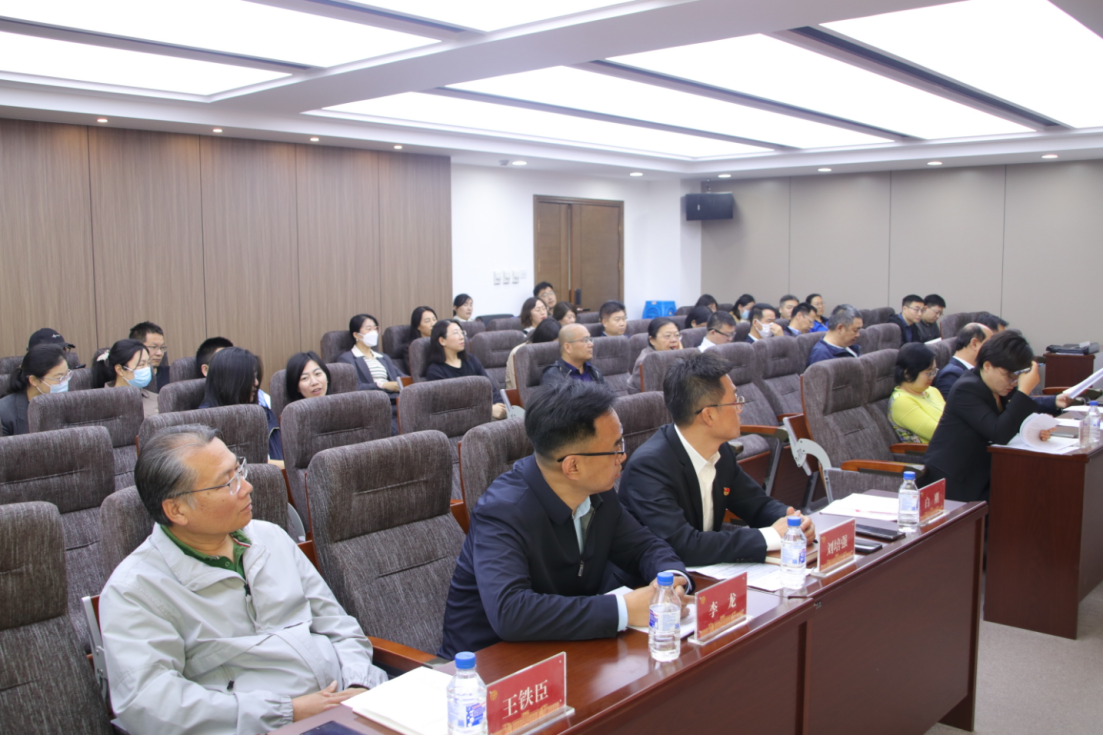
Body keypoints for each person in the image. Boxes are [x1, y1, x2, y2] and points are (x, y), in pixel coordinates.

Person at [99, 425, 386, 735]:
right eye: (228, 482)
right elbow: (150, 705)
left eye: (240, 471)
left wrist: (360, 684)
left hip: (346, 705)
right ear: (177, 510)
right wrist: (287, 712)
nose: (247, 487)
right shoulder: (135, 590)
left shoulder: (271, 537)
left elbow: (338, 625)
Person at [438, 381, 691, 659]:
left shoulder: (598, 493)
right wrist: (624, 609)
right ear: (573, 466)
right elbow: (510, 612)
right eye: (616, 447)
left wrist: (670, 581)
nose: (623, 456)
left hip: (565, 648)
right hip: (487, 664)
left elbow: (644, 547)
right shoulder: (502, 511)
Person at [619, 352, 814, 566]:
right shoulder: (649, 468)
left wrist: (792, 522)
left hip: (708, 567)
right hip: (657, 579)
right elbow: (682, 545)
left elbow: (756, 504)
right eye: (735, 402)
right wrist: (771, 536)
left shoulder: (721, 452)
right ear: (709, 415)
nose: (740, 409)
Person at [924, 331, 1073, 503]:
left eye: (1017, 377)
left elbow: (1014, 413)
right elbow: (999, 433)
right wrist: (1024, 390)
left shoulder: (997, 386)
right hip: (953, 479)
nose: (1013, 383)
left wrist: (1035, 428)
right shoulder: (966, 389)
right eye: (1009, 376)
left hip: (984, 473)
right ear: (987, 366)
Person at [199, 347, 283, 464]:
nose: (256, 383)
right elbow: (239, 465)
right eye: (249, 377)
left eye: (255, 376)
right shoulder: (205, 425)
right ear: (231, 381)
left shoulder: (263, 414)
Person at [425, 320, 508, 420]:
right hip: (464, 420)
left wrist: (501, 406)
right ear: (442, 340)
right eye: (456, 333)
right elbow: (452, 406)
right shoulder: (435, 371)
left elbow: (490, 387)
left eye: (462, 332)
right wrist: (487, 409)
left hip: (489, 414)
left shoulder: (471, 359)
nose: (462, 337)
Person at [336, 314, 405, 435]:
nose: (373, 332)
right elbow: (353, 388)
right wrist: (383, 385)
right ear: (356, 334)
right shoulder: (347, 359)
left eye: (375, 328)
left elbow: (403, 378)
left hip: (397, 401)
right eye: (368, 329)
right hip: (374, 405)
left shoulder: (383, 357)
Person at [1, 344, 69, 437]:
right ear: (34, 380)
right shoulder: (4, 413)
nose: (65, 382)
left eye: (66, 375)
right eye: (59, 378)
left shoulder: (70, 403)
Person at [888, 344, 945, 444]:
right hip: (934, 451)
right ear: (908, 373)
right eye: (928, 372)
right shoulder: (901, 401)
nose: (932, 377)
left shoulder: (932, 390)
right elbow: (940, 433)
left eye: (934, 371)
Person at [94, 339, 158, 417]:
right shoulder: (101, 405)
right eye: (141, 364)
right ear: (120, 370)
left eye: (148, 363)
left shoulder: (158, 399)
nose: (147, 368)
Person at [933, 324, 993, 399]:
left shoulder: (974, 370)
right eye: (990, 345)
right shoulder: (950, 374)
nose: (993, 350)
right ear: (974, 344)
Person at [628, 318, 682, 394]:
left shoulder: (671, 354)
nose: (674, 340)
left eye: (677, 335)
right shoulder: (646, 362)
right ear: (652, 340)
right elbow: (654, 395)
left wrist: (682, 354)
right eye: (667, 336)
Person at [541, 324, 607, 387]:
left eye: (590, 340)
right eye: (585, 340)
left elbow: (608, 394)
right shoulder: (553, 376)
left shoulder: (594, 372)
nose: (591, 344)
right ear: (568, 347)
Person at [506, 318, 561, 391]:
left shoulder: (560, 348)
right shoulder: (520, 353)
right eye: (553, 344)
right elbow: (519, 388)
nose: (555, 347)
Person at [130, 322, 170, 392]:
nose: (159, 353)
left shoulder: (172, 374)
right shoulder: (131, 379)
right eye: (153, 347)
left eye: (162, 347)